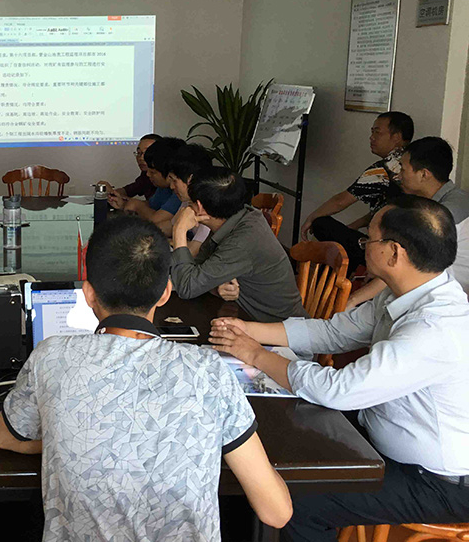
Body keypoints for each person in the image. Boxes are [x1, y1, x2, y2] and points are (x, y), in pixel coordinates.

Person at [0, 215, 292, 541]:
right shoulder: (208, 371)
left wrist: (71, 440)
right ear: (165, 293)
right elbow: (276, 512)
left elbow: (7, 438)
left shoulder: (51, 356)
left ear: (88, 294)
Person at [209, 195, 469, 542]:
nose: (363, 247)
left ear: (394, 253)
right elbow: (334, 333)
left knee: (296, 505)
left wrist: (257, 355)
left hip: (436, 479)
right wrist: (248, 331)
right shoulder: (405, 292)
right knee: (277, 444)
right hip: (377, 436)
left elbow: (340, 390)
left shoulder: (433, 328)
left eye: (368, 240)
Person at [171, 167, 306, 322]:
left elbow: (186, 287)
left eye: (190, 203)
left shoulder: (243, 240)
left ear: (199, 207)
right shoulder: (239, 217)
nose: (187, 207)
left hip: (280, 328)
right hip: (246, 316)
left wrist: (179, 229)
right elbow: (197, 268)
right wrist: (214, 287)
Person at [347, 137, 469, 307]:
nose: (398, 176)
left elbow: (409, 264)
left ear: (424, 174)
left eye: (403, 169)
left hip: (444, 299)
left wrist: (353, 299)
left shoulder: (443, 215)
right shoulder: (432, 203)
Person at [301, 112, 413, 274]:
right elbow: (382, 209)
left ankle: (335, 279)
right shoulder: (412, 163)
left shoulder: (384, 168)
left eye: (377, 132)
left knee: (321, 224)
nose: (371, 137)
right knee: (344, 240)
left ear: (396, 137)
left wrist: (311, 218)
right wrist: (353, 226)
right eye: (372, 132)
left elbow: (341, 201)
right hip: (404, 248)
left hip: (384, 249)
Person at [109, 137, 185, 226]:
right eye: (139, 153)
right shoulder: (164, 187)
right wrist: (124, 204)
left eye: (152, 172)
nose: (148, 175)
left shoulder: (181, 191)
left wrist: (136, 205)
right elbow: (151, 205)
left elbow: (156, 220)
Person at [166, 142, 214, 253]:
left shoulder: (207, 208)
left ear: (190, 180)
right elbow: (169, 226)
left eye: (174, 181)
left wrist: (172, 239)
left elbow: (192, 252)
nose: (171, 186)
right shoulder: (188, 200)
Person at [98, 133, 161, 202]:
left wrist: (124, 201)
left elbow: (154, 206)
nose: (141, 158)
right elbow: (129, 190)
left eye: (146, 153)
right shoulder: (145, 175)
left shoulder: (165, 181)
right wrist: (111, 192)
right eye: (139, 153)